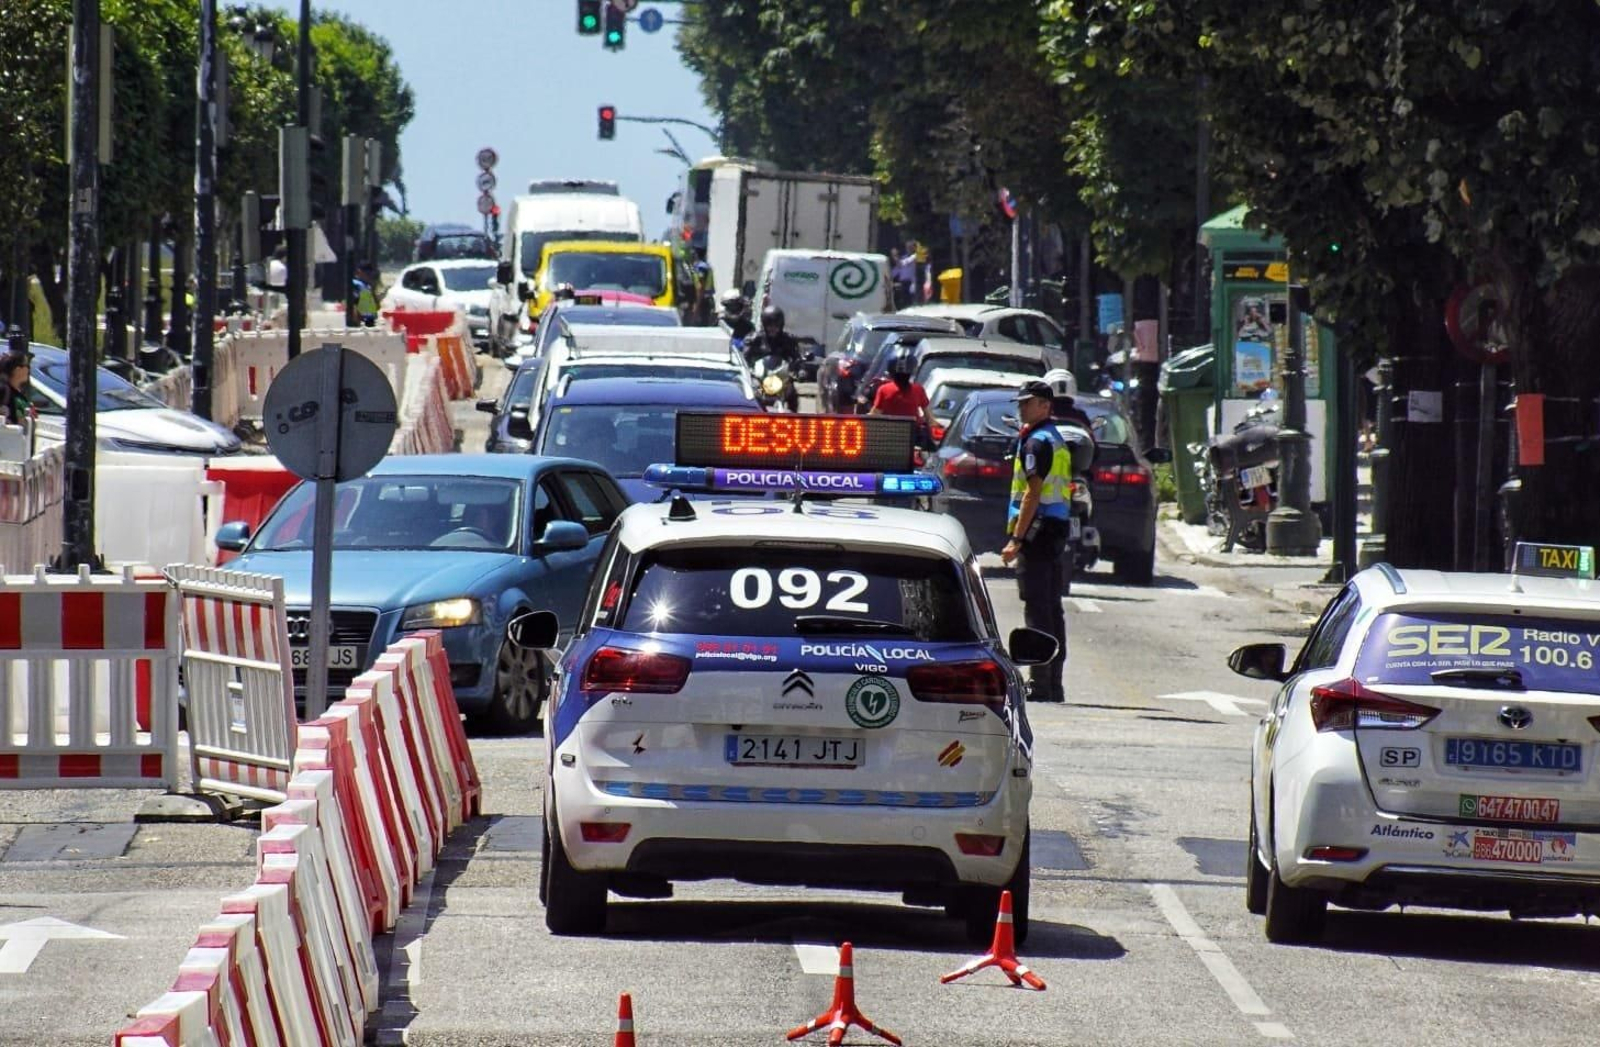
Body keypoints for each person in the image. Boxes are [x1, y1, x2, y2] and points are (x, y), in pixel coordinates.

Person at [1001, 380, 1073, 703]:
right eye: (1021, 402)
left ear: (1045, 405)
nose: (1022, 407)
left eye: (1028, 402)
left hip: (1038, 531)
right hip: (1054, 530)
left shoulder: (1037, 443)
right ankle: (1053, 682)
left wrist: (1017, 538)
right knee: (1051, 607)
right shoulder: (1054, 439)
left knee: (1038, 609)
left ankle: (1040, 682)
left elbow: (1032, 493)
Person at [744, 305, 801, 412]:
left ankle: (794, 418)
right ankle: (753, 414)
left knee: (791, 392)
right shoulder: (754, 339)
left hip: (781, 380)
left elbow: (796, 357)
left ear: (781, 325)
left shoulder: (788, 340)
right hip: (760, 380)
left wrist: (799, 369)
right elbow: (745, 357)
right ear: (764, 325)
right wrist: (749, 370)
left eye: (776, 325)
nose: (772, 328)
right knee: (755, 393)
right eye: (769, 325)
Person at [869, 345, 933, 438]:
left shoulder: (884, 389)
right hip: (913, 435)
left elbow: (875, 415)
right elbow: (929, 417)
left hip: (889, 436)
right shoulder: (918, 389)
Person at [0, 352, 32, 427]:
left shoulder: (18, 393)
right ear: (17, 369)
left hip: (22, 437)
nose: (28, 369)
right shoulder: (3, 390)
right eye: (27, 365)